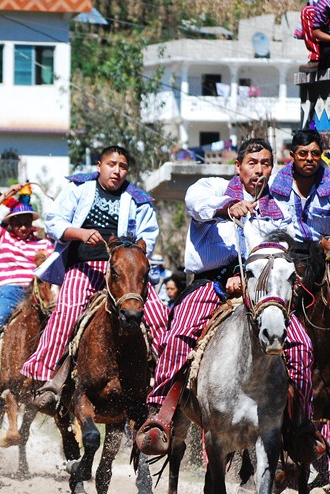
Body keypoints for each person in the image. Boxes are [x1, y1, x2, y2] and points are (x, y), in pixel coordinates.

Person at [135, 137, 316, 456]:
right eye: (252, 163)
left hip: (260, 286)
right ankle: (160, 413)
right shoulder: (212, 187)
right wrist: (227, 207)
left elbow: (286, 243)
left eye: (265, 164)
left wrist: (251, 278)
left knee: (301, 345)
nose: (259, 170)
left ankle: (300, 425)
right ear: (238, 165)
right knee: (179, 335)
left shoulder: (280, 204)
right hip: (211, 284)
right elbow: (196, 205)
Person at [22, 145, 169, 414]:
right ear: (99, 165)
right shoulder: (79, 188)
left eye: (123, 166)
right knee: (66, 312)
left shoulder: (138, 199)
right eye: (111, 164)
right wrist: (80, 233)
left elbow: (148, 235)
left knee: (158, 314)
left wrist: (126, 248)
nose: (117, 170)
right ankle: (46, 379)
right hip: (84, 266)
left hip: (124, 271)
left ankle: (165, 380)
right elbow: (54, 221)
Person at [0, 183, 54, 353]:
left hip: (37, 291)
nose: (22, 228)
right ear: (11, 223)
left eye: (26, 223)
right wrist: (6, 195)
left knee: (58, 321)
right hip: (10, 291)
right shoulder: (3, 238)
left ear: (31, 224)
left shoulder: (44, 244)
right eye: (18, 223)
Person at [261, 129, 330, 245]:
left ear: (321, 156)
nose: (309, 159)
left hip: (322, 253)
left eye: (315, 154)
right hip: (283, 254)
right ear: (292, 155)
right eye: (303, 153)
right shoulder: (272, 185)